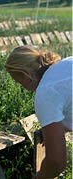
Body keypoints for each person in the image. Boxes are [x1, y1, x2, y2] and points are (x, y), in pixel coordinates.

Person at [5, 46, 72, 179]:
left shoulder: (45, 91)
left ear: (25, 76)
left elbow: (56, 163)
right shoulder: (66, 64)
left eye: (18, 82)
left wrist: (40, 177)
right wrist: (57, 131)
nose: (22, 87)